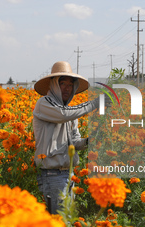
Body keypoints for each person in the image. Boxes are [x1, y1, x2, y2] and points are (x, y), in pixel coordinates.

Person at [33, 61, 108, 214]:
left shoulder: (70, 112)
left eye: (70, 85)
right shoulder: (44, 103)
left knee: (66, 224)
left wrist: (90, 141)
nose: (67, 88)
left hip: (68, 175)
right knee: (59, 225)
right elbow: (62, 114)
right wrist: (95, 103)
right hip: (52, 175)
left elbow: (74, 142)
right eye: (62, 84)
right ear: (53, 85)